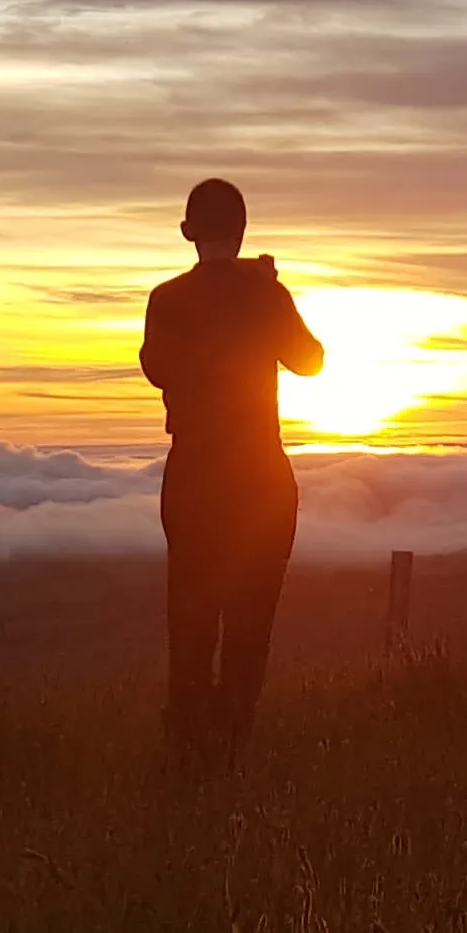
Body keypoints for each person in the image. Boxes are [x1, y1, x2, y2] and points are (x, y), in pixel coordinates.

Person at [138, 178, 324, 767]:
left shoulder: (166, 299)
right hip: (260, 474)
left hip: (193, 473)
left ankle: (188, 748)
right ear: (243, 233)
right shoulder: (267, 295)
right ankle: (233, 745)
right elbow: (311, 361)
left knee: (191, 616)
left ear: (188, 232)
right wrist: (264, 290)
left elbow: (156, 368)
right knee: (251, 619)